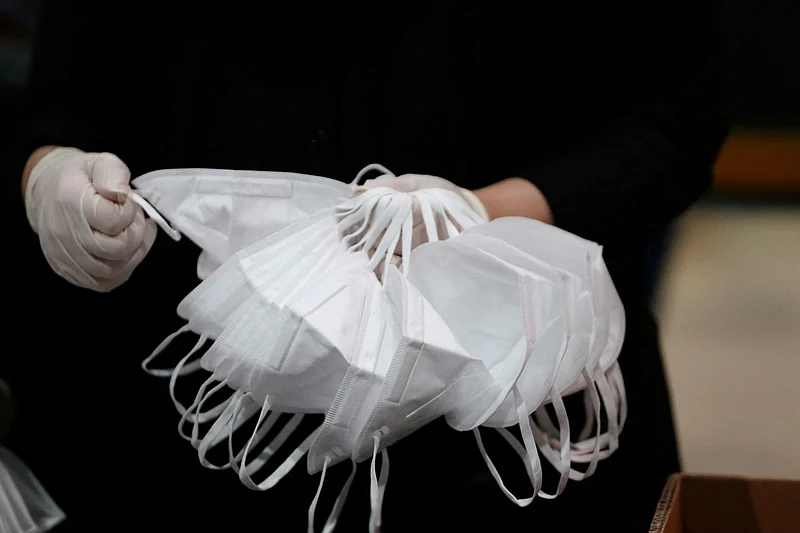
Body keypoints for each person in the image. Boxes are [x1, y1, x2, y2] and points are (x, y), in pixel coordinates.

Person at [5, 1, 728, 531]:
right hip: (187, 407)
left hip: (511, 397)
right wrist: (51, 173)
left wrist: (484, 212)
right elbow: (65, 96)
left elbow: (676, 110)